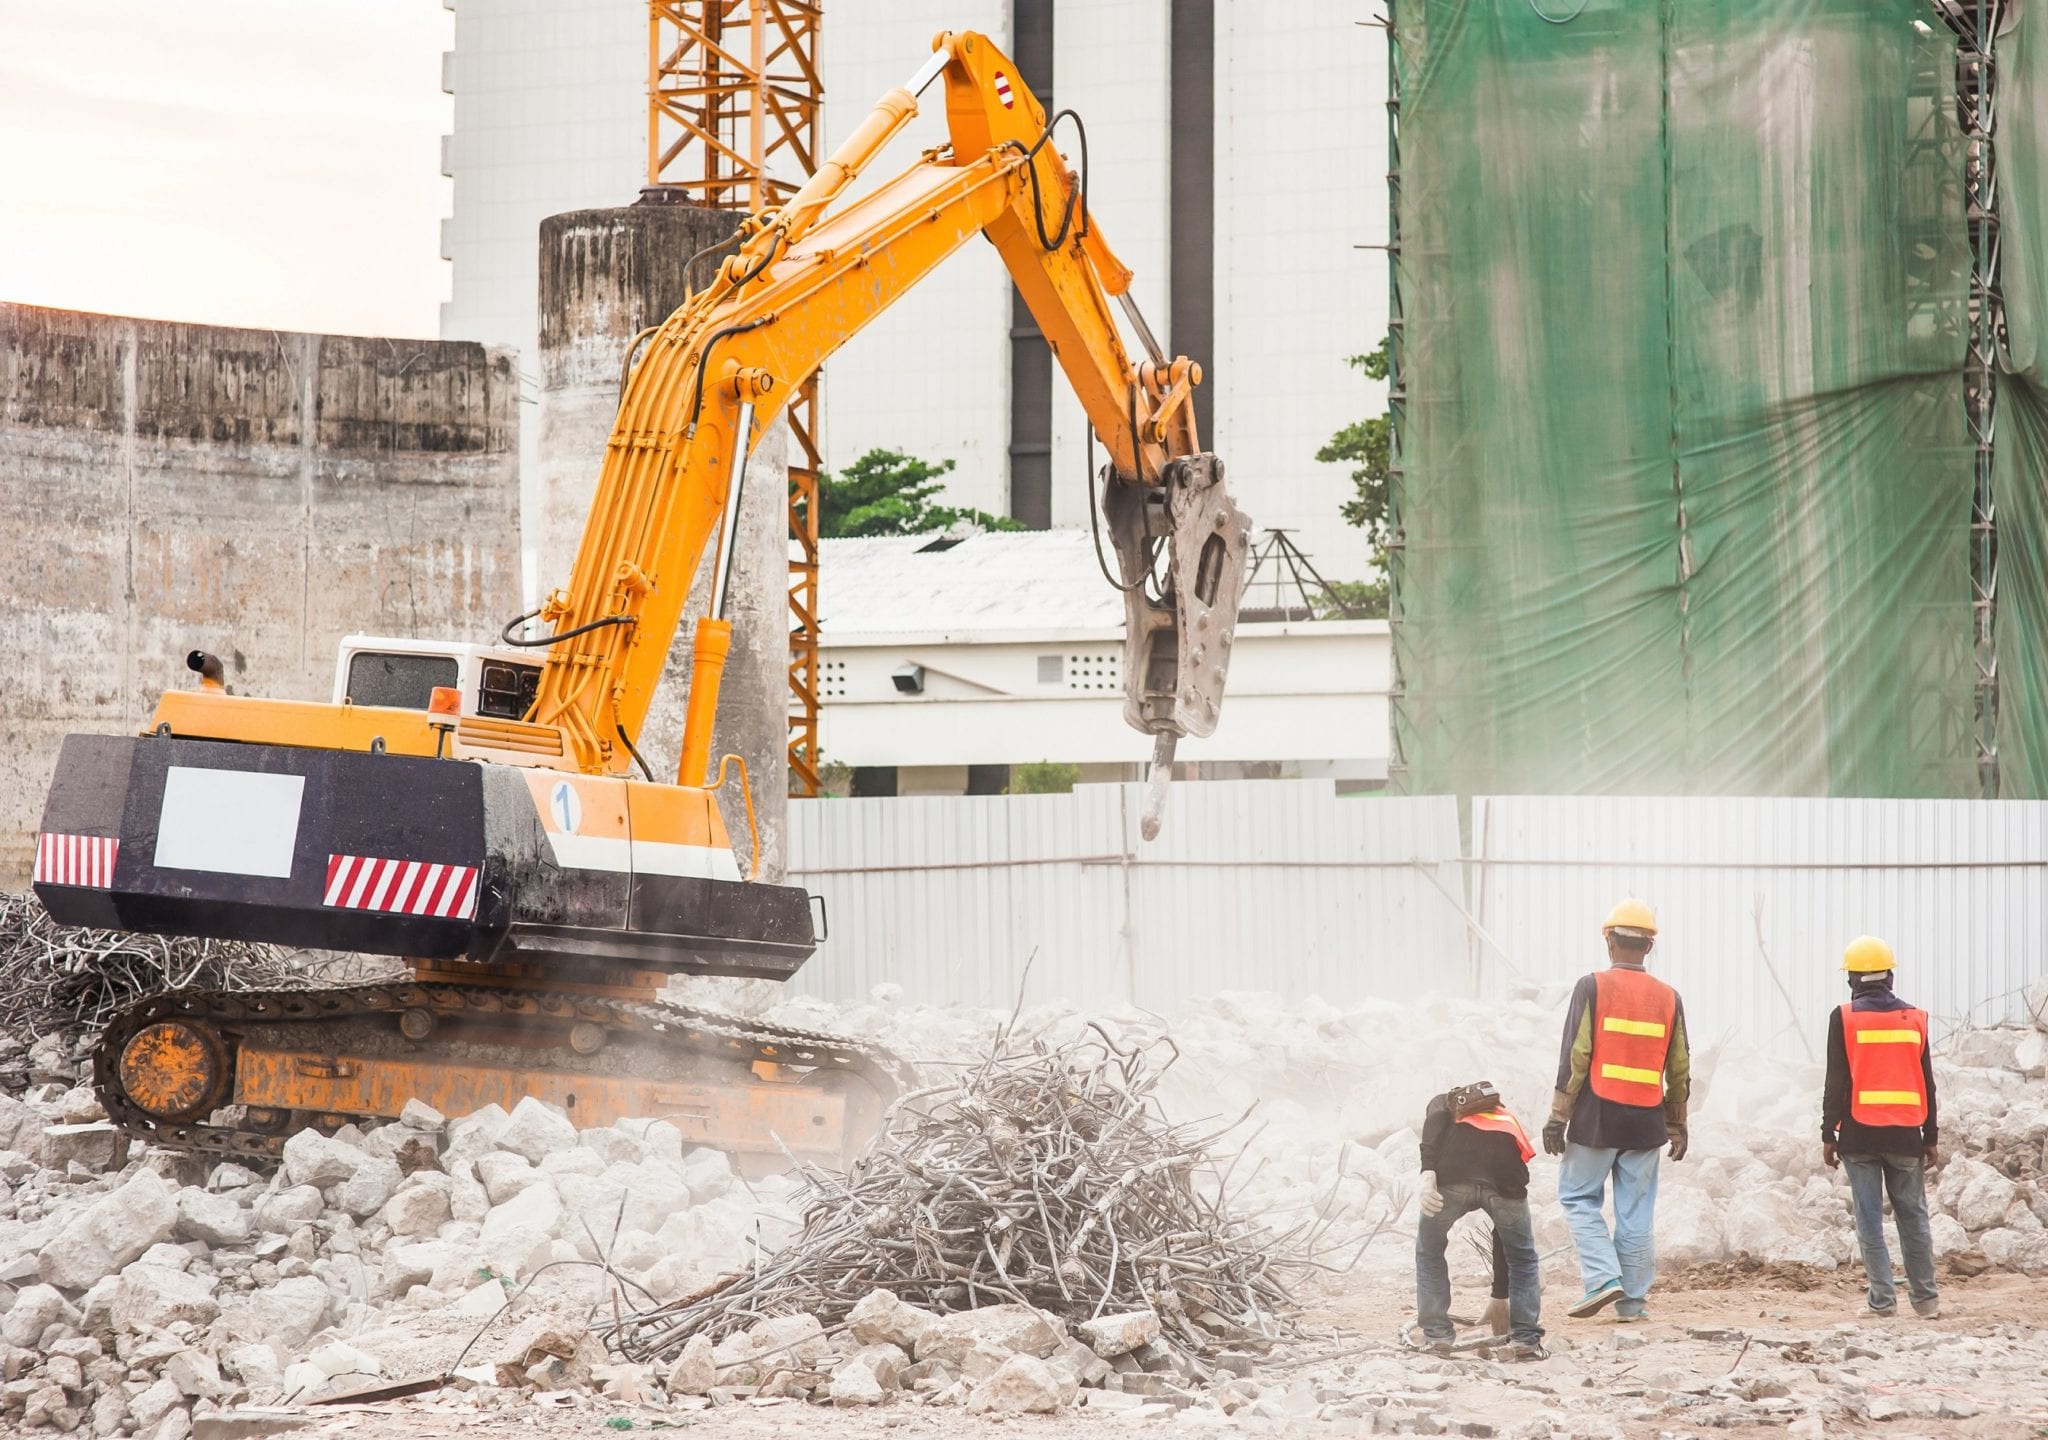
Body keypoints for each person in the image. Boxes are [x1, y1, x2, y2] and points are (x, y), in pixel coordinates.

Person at [1543, 898, 1690, 1322]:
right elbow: (1679, 1065)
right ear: (1649, 947)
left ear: (1609, 941)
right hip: (1645, 1122)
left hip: (1596, 1117)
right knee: (1636, 1213)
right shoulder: (1669, 997)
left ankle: (1604, 1278)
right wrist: (1677, 1123)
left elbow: (1576, 1055)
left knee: (1577, 1197)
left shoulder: (1592, 986)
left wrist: (1558, 1116)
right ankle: (1632, 1303)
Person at [1823, 934, 1941, 1319]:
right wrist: (1931, 1136)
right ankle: (1926, 1302)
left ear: (1852, 979)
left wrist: (1828, 1132)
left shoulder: (1843, 1017)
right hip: (1907, 1134)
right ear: (1889, 976)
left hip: (1859, 1135)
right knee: (1913, 1217)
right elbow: (1927, 1082)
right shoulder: (1916, 1018)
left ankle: (1882, 1303)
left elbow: (1835, 1081)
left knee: (1869, 1219)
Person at [1415, 1079, 1545, 1359]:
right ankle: (1525, 1341)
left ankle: (1438, 1336)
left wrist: (1428, 1170)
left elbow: (1436, 1111)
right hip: (1505, 1181)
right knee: (1522, 1258)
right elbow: (1504, 1236)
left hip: (1453, 1177)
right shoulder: (1504, 1116)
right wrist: (1499, 1294)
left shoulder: (1445, 1103)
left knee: (1430, 1251)